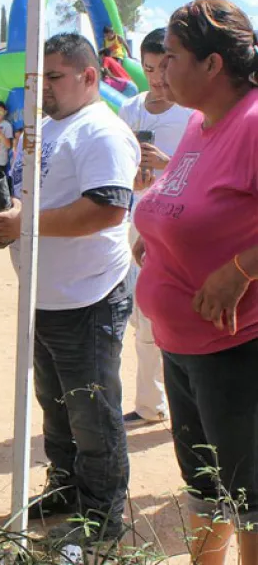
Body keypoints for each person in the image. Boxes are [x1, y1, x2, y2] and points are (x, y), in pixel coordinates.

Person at [0, 33, 139, 546]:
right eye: (38, 79)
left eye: (53, 77)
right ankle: (67, 487)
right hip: (45, 297)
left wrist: (25, 225)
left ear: (89, 76)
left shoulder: (101, 132)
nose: (42, 88)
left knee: (92, 413)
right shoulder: (47, 128)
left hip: (88, 298)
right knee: (55, 405)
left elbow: (107, 208)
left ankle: (103, 515)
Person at [134, 0, 258, 565]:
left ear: (213, 66)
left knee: (251, 500)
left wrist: (239, 271)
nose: (161, 71)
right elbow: (190, 198)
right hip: (182, 347)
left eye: (174, 58)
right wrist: (153, 234)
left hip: (236, 350)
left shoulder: (253, 123)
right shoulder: (196, 122)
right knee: (206, 488)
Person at [116, 28, 192, 429]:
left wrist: (167, 164)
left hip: (183, 231)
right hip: (141, 225)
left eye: (164, 67)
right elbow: (116, 168)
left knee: (183, 319)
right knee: (143, 317)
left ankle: (189, 410)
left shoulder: (195, 112)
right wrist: (134, 181)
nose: (157, 79)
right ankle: (150, 404)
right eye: (148, 68)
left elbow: (206, 172)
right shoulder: (129, 109)